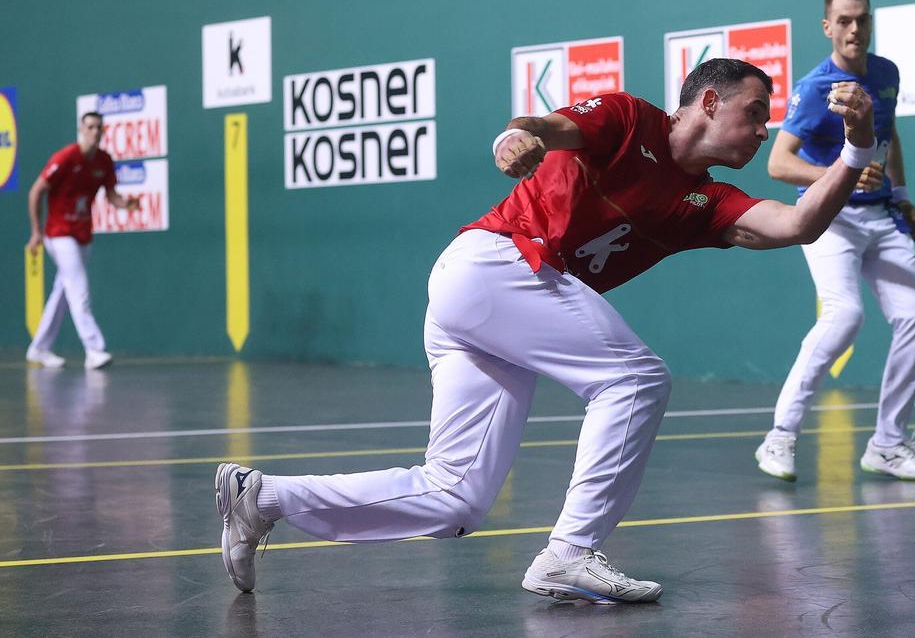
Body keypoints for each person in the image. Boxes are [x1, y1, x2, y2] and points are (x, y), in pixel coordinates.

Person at [215, 58, 877, 603]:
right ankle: (571, 551)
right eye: (755, 113)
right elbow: (547, 128)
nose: (764, 131)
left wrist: (856, 147)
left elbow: (797, 225)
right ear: (708, 102)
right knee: (637, 378)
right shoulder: (628, 116)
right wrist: (522, 137)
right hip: (495, 263)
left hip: (493, 305)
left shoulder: (707, 201)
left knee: (456, 496)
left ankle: (261, 498)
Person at [754, 0, 915, 484]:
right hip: (830, 218)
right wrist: (841, 175)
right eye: (845, 20)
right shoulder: (817, 87)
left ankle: (888, 443)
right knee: (845, 316)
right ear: (828, 27)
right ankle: (780, 435)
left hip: (881, 215)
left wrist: (901, 197)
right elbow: (778, 162)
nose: (855, 28)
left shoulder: (886, 74)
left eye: (862, 19)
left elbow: (889, 135)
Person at [26, 111, 138, 370]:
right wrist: (36, 231)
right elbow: (36, 191)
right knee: (79, 287)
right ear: (81, 129)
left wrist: (127, 204)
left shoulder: (104, 161)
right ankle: (94, 349)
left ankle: (39, 348)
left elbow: (112, 196)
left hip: (83, 234)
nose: (95, 131)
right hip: (58, 233)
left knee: (63, 291)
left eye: (99, 127)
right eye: (90, 127)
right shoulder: (65, 158)